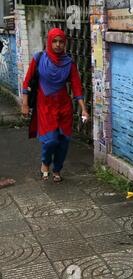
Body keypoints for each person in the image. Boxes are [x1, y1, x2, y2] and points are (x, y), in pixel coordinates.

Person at [21, 28, 89, 182]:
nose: (58, 45)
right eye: (55, 41)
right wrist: (25, 104)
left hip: (64, 106)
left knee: (64, 140)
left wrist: (83, 109)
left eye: (61, 42)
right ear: (49, 42)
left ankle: (57, 169)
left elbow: (77, 87)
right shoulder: (39, 59)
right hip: (45, 106)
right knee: (51, 140)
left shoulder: (69, 63)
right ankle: (45, 163)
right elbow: (27, 81)